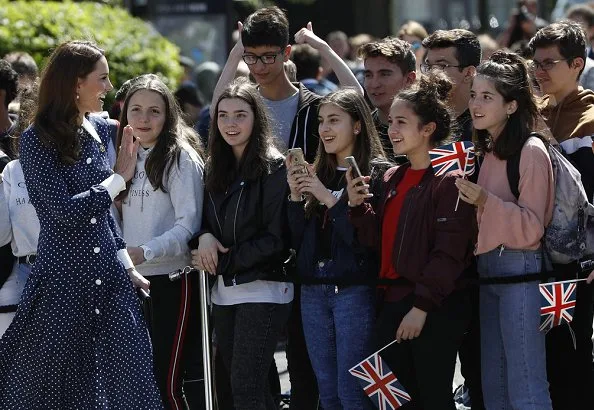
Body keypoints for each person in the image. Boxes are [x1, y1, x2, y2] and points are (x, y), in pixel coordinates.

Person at [211, 8, 363, 407]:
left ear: (287, 54)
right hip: (260, 253)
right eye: (252, 57)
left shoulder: (313, 107)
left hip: (310, 243)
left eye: (269, 56)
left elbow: (356, 102)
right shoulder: (242, 106)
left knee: (307, 366)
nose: (259, 66)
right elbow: (215, 110)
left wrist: (323, 47)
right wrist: (233, 55)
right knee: (253, 372)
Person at [0, 40, 163, 409]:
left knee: (129, 382)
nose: (108, 88)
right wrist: (117, 180)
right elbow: (62, 211)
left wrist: (126, 264)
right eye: (101, 79)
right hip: (62, 284)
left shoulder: (99, 131)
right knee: (60, 392)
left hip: (109, 276)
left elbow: (103, 216)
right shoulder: (34, 140)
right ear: (76, 83)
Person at [348, 72, 475, 409]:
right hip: (392, 300)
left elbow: (448, 253)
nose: (392, 130)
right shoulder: (392, 176)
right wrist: (358, 208)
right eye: (391, 122)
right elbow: (377, 243)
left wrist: (421, 308)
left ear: (427, 129)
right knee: (385, 392)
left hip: (432, 307)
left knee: (431, 396)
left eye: (402, 122)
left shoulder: (449, 181)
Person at [455, 51, 554, 410]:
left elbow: (532, 228)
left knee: (525, 383)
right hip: (489, 270)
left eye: (487, 97)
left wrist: (485, 201)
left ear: (511, 106)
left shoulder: (531, 151)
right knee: (494, 384)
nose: (475, 104)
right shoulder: (485, 150)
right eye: (474, 95)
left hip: (520, 270)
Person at [190, 78, 293, 410]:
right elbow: (203, 221)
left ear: (256, 118)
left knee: (246, 387)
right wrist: (204, 236)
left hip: (263, 288)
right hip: (224, 292)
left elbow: (277, 239)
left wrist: (224, 262)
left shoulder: (274, 167)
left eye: (240, 115)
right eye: (223, 116)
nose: (230, 124)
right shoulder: (214, 166)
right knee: (244, 388)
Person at [286, 88, 388, 409]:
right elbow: (295, 240)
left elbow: (366, 242)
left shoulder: (378, 172)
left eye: (334, 120)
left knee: (352, 393)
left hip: (354, 289)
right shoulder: (318, 171)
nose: (324, 129)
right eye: (320, 122)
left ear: (357, 126)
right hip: (313, 290)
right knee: (327, 393)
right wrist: (294, 197)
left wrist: (329, 197)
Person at [116, 75, 205, 409]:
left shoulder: (181, 157)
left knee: (166, 383)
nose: (143, 118)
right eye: (135, 110)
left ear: (168, 115)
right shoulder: (124, 153)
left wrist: (145, 251)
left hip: (171, 281)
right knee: (135, 384)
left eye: (154, 111)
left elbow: (188, 226)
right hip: (128, 282)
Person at [528, 20, 594, 410]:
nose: (538, 71)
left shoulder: (591, 118)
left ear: (577, 64)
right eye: (535, 63)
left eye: (548, 63)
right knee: (538, 362)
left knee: (572, 360)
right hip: (529, 257)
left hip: (578, 264)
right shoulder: (529, 112)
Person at [421, 28, 485, 410]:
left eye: (443, 65)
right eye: (428, 64)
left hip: (480, 273)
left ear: (470, 73)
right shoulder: (421, 124)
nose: (433, 73)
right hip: (433, 273)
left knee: (481, 380)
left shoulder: (489, 127)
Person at [358, 37, 416, 161]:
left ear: (409, 79)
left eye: (384, 74)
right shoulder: (360, 132)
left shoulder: (429, 130)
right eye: (368, 75)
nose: (374, 84)